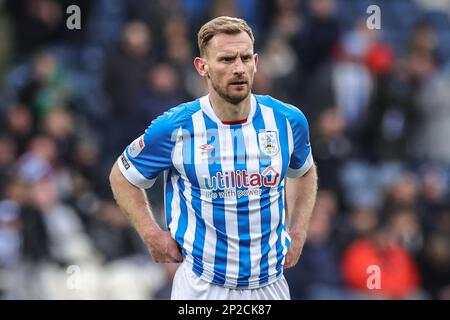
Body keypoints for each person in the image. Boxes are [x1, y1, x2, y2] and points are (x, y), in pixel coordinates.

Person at [109, 16, 318, 300]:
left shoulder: (287, 120)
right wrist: (151, 234)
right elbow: (122, 175)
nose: (238, 68)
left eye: (245, 58)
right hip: (202, 287)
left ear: (256, 61)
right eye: (226, 59)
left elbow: (304, 171)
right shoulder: (176, 127)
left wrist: (299, 230)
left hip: (270, 286)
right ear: (202, 66)